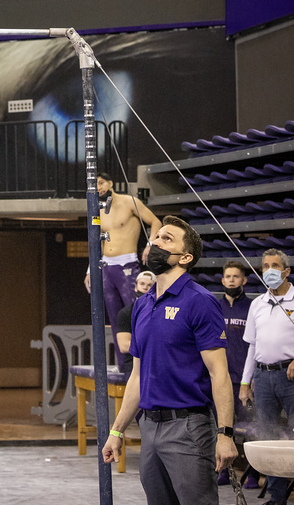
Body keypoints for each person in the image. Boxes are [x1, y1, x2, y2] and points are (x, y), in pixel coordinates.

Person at [102, 215, 237, 505]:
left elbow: (219, 374)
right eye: (156, 236)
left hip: (188, 428)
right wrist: (117, 430)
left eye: (167, 239)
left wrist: (225, 433)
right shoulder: (142, 305)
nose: (155, 242)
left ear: (185, 257)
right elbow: (137, 376)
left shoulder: (199, 301)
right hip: (149, 427)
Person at [84, 172, 161, 370]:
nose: (99, 188)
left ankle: (145, 361)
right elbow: (98, 242)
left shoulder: (129, 202)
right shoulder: (97, 210)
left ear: (110, 183)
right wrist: (91, 269)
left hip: (127, 265)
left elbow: (155, 222)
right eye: (95, 184)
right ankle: (124, 364)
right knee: (115, 317)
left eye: (101, 183)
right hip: (107, 267)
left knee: (137, 314)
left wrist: (150, 244)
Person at [240, 248, 294, 505]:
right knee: (269, 436)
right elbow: (252, 346)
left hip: (290, 376)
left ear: (286, 271)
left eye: (275, 265)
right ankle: (277, 497)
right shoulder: (256, 304)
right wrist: (244, 382)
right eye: (265, 266)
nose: (269, 270)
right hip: (262, 378)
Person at [216, 260, 260, 490]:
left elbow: (256, 344)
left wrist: (250, 378)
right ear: (222, 281)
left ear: (244, 280)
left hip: (244, 381)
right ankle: (224, 471)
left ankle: (253, 473)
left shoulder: (253, 307)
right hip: (220, 380)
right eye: (228, 276)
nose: (231, 280)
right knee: (224, 429)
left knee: (251, 430)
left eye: (236, 276)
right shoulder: (214, 307)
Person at [116, 270, 156, 378]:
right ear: (135, 286)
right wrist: (154, 346)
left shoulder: (160, 311)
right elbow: (124, 346)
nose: (145, 287)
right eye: (142, 284)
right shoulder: (125, 313)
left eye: (149, 285)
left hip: (156, 363)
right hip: (133, 365)